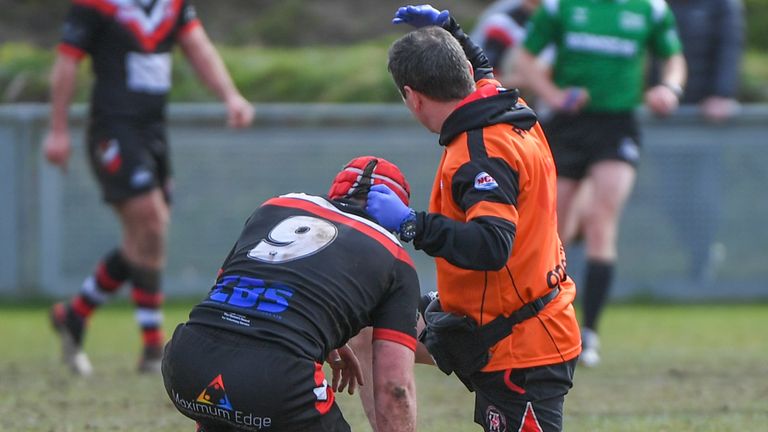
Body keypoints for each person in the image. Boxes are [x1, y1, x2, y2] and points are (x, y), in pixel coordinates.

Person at [360, 6, 582, 431]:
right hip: (475, 324)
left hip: (521, 347)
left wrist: (411, 223)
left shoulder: (479, 154)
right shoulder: (501, 102)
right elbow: (480, 64)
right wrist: (449, 29)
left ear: (413, 96)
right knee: (368, 328)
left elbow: (492, 245)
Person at [45, 0, 255, 376]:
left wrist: (230, 95)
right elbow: (66, 63)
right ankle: (152, 347)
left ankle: (74, 315)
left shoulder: (172, 6)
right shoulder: (94, 6)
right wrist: (58, 130)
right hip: (112, 129)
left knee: (145, 240)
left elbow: (199, 49)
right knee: (152, 223)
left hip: (153, 133)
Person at [161, 156, 419, 432]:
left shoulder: (275, 207)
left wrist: (321, 330)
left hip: (184, 363)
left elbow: (229, 292)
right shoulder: (395, 257)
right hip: (277, 380)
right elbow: (395, 388)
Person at [515, 0, 687, 367]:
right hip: (568, 126)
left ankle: (589, 333)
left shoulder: (650, 9)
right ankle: (547, 325)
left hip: (617, 126)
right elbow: (525, 58)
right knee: (554, 227)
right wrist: (553, 95)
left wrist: (670, 89)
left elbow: (674, 57)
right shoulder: (561, 6)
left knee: (601, 220)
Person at [650, 0, 745, 283]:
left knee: (704, 196)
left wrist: (722, 93)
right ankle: (698, 252)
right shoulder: (660, 6)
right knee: (671, 197)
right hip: (668, 119)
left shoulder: (723, 6)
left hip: (705, 121)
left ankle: (703, 260)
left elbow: (730, 47)